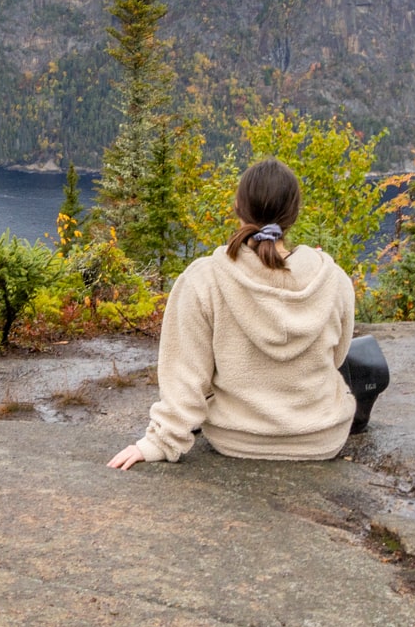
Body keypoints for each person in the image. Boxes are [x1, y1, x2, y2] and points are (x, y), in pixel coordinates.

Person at [108, 156, 357, 468]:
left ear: (239, 207)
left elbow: (186, 374)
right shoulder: (333, 280)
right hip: (321, 438)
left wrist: (160, 441)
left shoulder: (205, 278)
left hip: (237, 440)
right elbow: (337, 357)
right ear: (293, 213)